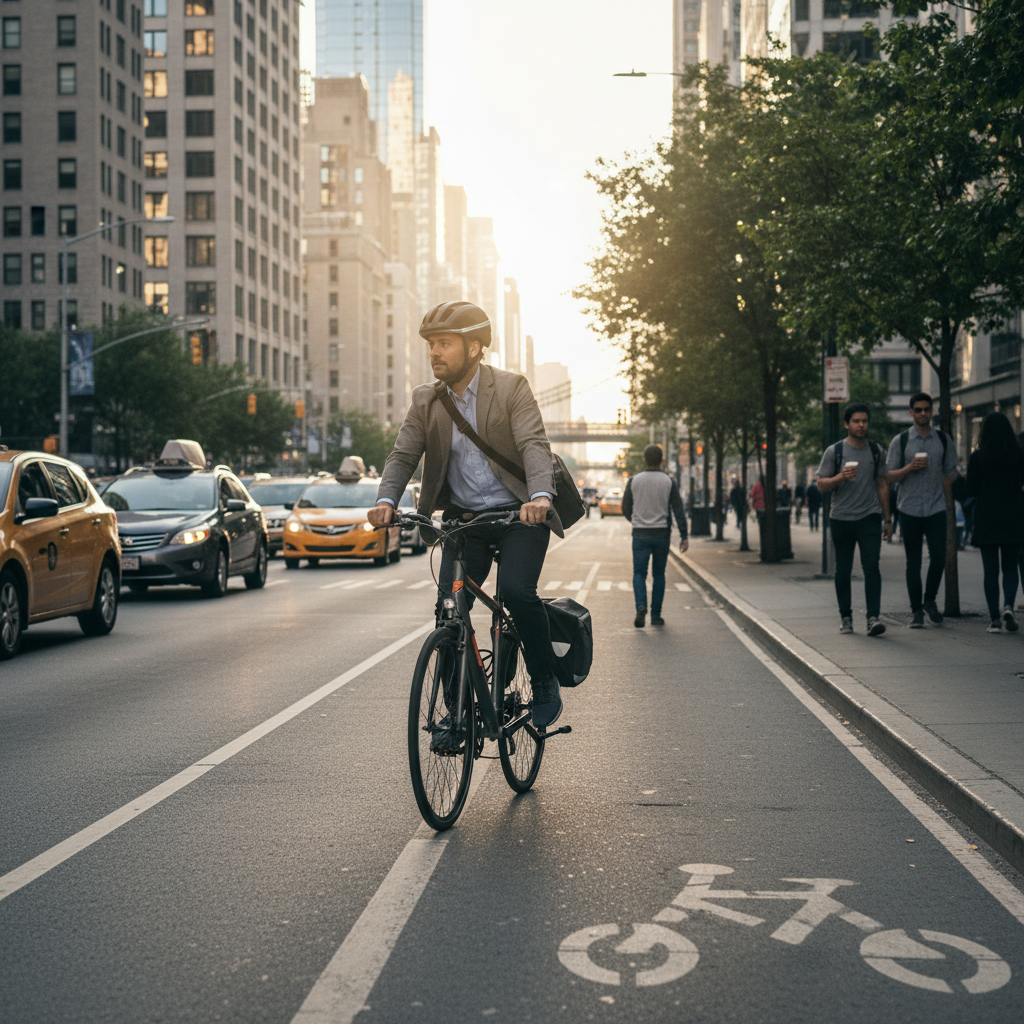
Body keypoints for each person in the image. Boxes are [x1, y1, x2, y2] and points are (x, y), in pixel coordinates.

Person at [369, 300, 564, 728]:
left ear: (475, 348)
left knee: (515, 592)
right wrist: (386, 501)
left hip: (519, 516)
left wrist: (540, 497)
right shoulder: (426, 400)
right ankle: (454, 711)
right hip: (465, 521)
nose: (434, 352)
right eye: (431, 345)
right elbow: (403, 455)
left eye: (444, 344)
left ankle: (544, 678)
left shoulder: (512, 388)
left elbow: (534, 444)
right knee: (450, 606)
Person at [816, 403, 892, 635]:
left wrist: (887, 518)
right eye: (856, 421)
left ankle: (873, 618)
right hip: (841, 518)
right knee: (843, 570)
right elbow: (821, 484)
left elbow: (881, 483)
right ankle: (846, 617)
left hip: (869, 516)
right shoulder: (834, 451)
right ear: (847, 424)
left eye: (865, 421)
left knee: (872, 567)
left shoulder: (875, 450)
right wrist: (840, 476)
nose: (861, 425)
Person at [885, 393, 959, 628]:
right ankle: (916, 611)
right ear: (911, 412)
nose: (923, 413)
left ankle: (929, 600)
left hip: (936, 508)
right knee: (913, 563)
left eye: (927, 409)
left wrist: (942, 486)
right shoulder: (901, 440)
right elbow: (888, 476)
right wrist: (909, 467)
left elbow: (951, 472)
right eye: (918, 410)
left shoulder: (943, 440)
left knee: (939, 557)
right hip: (909, 509)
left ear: (932, 410)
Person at [966, 412, 1024, 633]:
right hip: (1013, 515)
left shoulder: (979, 457)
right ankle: (1008, 605)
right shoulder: (1018, 455)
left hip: (987, 516)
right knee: (1010, 567)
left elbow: (971, 489)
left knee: (990, 570)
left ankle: (994, 620)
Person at [622, 444, 689, 627]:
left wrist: (636, 520)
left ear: (645, 459)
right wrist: (684, 535)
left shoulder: (634, 481)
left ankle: (641, 606)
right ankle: (656, 615)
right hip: (662, 534)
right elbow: (678, 509)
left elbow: (625, 508)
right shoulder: (668, 482)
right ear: (661, 461)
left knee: (639, 573)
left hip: (640, 534)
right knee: (659, 574)